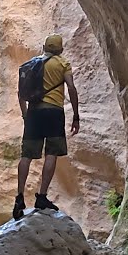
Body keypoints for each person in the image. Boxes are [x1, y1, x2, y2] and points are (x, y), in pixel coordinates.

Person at [14, 34, 80, 220]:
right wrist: (76, 115)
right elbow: (71, 88)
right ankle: (41, 197)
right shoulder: (62, 64)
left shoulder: (32, 64)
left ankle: (19, 198)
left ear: (44, 47)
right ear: (60, 49)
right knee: (51, 153)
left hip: (34, 113)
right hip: (53, 113)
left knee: (26, 155)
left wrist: (25, 114)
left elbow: (21, 93)